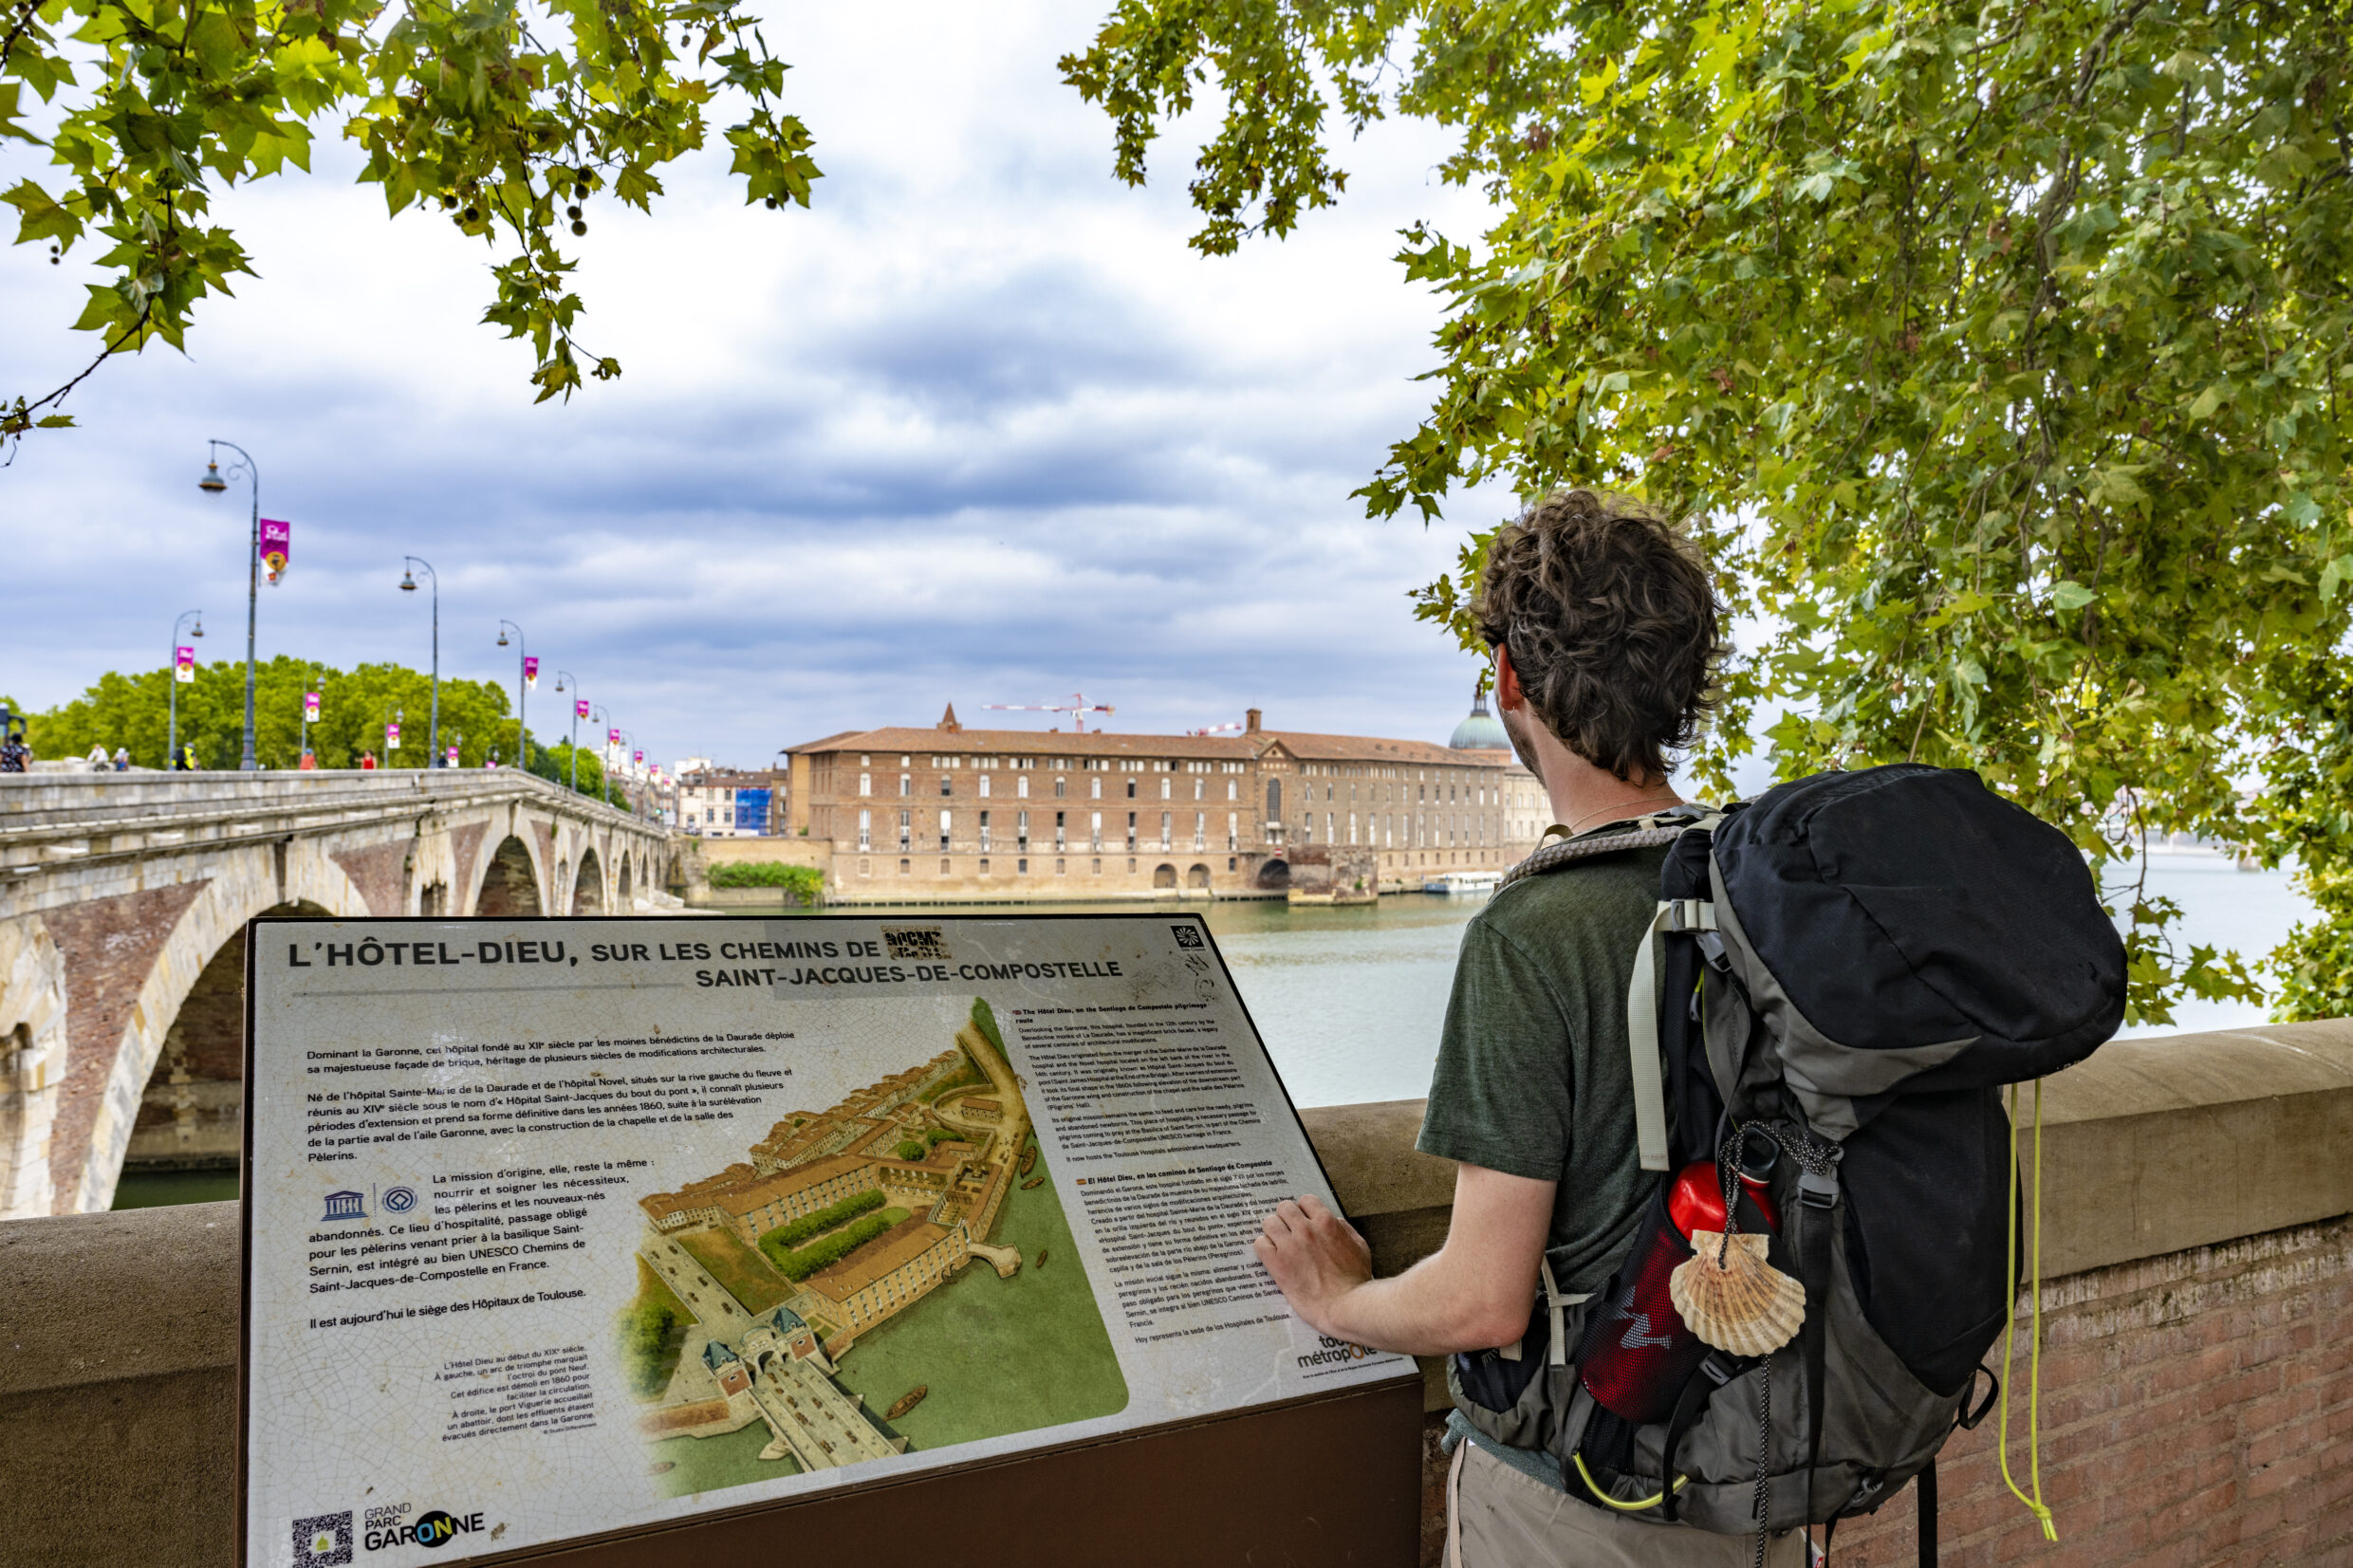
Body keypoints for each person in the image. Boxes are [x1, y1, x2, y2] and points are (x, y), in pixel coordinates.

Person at [1250, 490, 1795, 1565]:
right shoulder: (1765, 886)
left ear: (1507, 680)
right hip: (1759, 1475)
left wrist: (1340, 1298)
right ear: (1683, 688)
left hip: (1583, 1504)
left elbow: (1481, 1301)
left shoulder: (1534, 928)